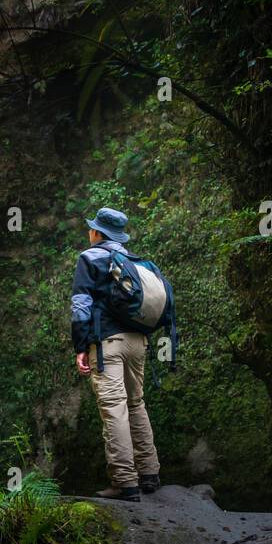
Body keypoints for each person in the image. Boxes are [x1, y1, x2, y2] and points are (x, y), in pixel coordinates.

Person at [69, 207, 161, 503]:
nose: (89, 232)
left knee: (114, 408)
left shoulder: (90, 257)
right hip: (138, 342)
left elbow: (81, 305)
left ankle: (125, 483)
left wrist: (80, 346)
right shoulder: (137, 262)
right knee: (136, 404)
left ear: (98, 233)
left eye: (92, 229)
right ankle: (149, 474)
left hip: (108, 344)